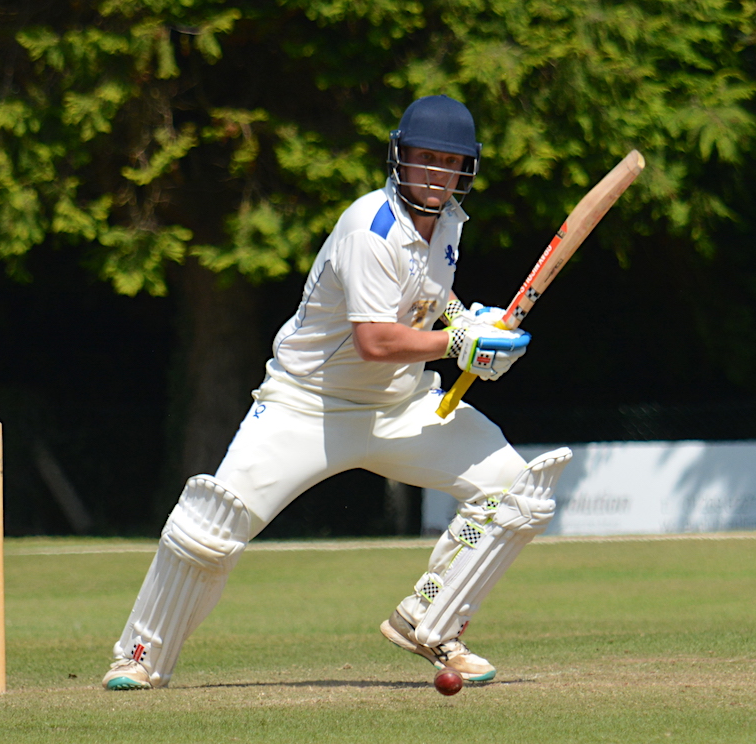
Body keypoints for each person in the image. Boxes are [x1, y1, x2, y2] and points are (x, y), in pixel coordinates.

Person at [102, 94, 572, 690]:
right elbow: (375, 339)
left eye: (448, 162)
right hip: (307, 407)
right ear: (400, 159)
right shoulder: (370, 228)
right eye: (424, 158)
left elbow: (428, 300)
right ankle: (141, 654)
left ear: (464, 170)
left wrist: (470, 324)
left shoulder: (448, 222)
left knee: (514, 492)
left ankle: (431, 620)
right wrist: (458, 347)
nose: (435, 173)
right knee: (209, 529)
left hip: (400, 406)